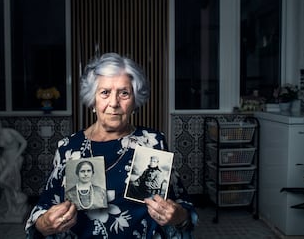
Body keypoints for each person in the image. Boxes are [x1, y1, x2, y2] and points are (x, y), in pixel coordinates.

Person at [25, 53, 197, 238]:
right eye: (105, 92)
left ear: (134, 101)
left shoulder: (152, 142)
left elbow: (182, 206)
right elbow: (43, 208)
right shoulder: (69, 148)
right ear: (93, 100)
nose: (114, 103)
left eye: (124, 93)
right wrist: (44, 224)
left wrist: (178, 215)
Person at [0, 118, 28, 223]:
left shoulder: (10, 132)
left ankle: (15, 194)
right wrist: (0, 167)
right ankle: (10, 207)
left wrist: (17, 156)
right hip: (5, 160)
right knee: (3, 182)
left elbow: (24, 143)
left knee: (5, 180)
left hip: (15, 158)